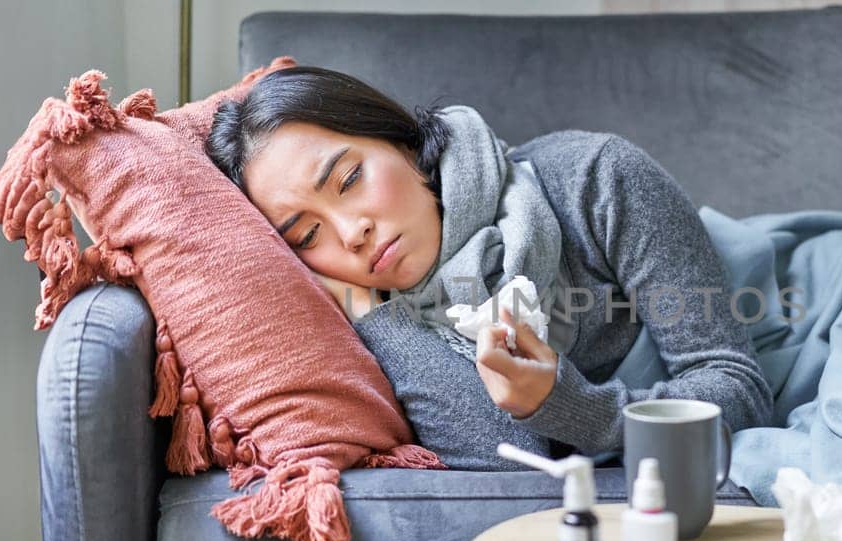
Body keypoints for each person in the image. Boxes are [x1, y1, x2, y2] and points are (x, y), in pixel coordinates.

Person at [206, 66, 775, 469]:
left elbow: (739, 390)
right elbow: (505, 469)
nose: (351, 233)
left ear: (399, 138)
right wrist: (376, 317)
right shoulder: (378, 308)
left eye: (350, 180)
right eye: (308, 234)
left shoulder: (597, 179)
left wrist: (566, 405)